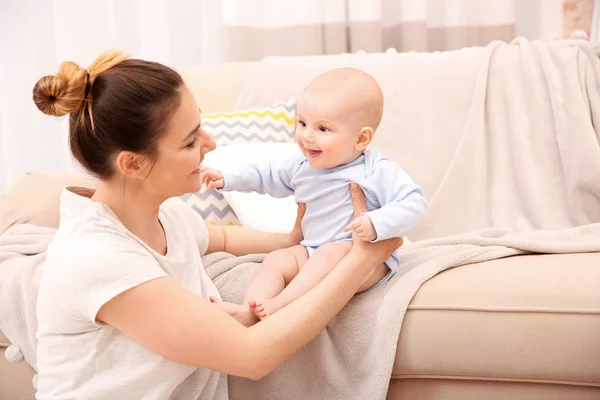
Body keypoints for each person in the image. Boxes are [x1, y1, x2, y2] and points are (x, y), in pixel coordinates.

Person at [31, 50, 402, 400]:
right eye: (191, 140)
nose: (210, 143)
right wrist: (359, 262)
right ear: (133, 165)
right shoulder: (98, 257)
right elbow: (253, 356)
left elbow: (220, 236)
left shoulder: (164, 215)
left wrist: (291, 238)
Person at [200, 68, 427, 320]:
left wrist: (376, 223)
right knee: (278, 259)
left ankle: (280, 305)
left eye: (323, 129)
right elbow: (267, 174)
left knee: (330, 253)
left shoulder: (374, 169)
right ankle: (249, 311)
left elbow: (414, 203)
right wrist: (228, 178)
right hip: (312, 251)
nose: (307, 136)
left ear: (361, 138)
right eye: (302, 123)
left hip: (364, 262)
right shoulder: (302, 166)